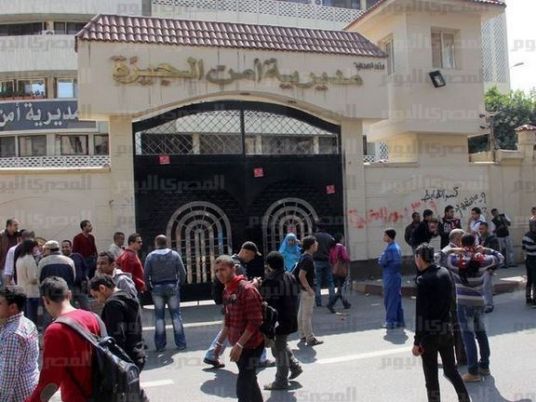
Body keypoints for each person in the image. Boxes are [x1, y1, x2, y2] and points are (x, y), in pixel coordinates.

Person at [27, 277, 101, 402]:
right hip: (102, 393)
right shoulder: (93, 317)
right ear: (69, 294)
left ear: (45, 300)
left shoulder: (55, 330)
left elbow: (50, 381)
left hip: (76, 397)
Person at [413, 244, 469, 402]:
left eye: (416, 257)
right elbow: (451, 302)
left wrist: (417, 341)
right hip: (446, 329)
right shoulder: (444, 272)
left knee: (431, 377)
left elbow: (421, 313)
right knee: (451, 370)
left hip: (429, 335)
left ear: (419, 258)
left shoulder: (423, 280)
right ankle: (465, 399)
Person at [445, 234, 503, 382]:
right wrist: (485, 249)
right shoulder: (482, 260)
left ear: (461, 244)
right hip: (479, 302)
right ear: (475, 243)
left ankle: (473, 372)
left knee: (468, 336)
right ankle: (484, 366)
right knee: (481, 334)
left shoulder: (455, 261)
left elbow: (437, 257)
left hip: (463, 303)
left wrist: (452, 250)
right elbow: (500, 257)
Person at [212, 255, 264, 402]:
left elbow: (255, 321)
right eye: (216, 271)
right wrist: (219, 344)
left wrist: (240, 345)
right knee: (250, 381)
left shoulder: (247, 289)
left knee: (243, 386)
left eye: (223, 269)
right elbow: (228, 321)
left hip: (252, 345)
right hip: (238, 345)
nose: (219, 274)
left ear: (233, 269)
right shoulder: (226, 290)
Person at [258, 251, 302, 390]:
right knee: (281, 344)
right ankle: (295, 366)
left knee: (278, 350)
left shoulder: (271, 280)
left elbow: (266, 303)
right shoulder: (290, 276)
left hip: (277, 320)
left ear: (269, 265)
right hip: (290, 317)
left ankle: (281, 380)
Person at [89, 274, 146, 370]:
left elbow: (116, 337)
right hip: (138, 353)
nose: (97, 301)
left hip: (124, 359)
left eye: (96, 296)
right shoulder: (129, 297)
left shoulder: (112, 305)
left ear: (102, 288)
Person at [144, 234, 187, 351]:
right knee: (176, 316)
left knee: (159, 317)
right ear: (167, 243)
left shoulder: (150, 256)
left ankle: (160, 345)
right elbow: (183, 273)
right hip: (172, 286)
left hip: (157, 287)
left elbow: (146, 274)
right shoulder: (174, 255)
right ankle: (181, 343)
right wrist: (179, 284)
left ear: (156, 243)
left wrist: (150, 287)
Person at [0, 286, 39, 402]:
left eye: (0, 303)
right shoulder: (28, 323)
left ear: (13, 307)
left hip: (17, 395)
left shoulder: (12, 334)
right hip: (31, 387)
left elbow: (8, 375)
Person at [437, 229, 467, 367]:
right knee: (455, 326)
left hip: (456, 293)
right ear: (456, 239)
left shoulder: (457, 251)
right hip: (451, 294)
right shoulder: (447, 251)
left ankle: (460, 357)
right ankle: (456, 358)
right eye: (462, 238)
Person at [297, 235, 323, 346]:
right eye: (316, 243)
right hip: (307, 290)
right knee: (306, 315)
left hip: (303, 289)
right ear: (312, 245)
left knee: (301, 313)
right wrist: (309, 289)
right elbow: (301, 275)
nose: (317, 244)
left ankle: (303, 335)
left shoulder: (303, 256)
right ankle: (310, 338)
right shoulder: (308, 259)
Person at [378, 228, 405, 329]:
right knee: (396, 299)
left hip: (390, 276)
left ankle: (390, 322)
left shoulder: (390, 249)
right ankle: (399, 321)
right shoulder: (396, 247)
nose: (383, 237)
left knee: (389, 299)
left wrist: (381, 258)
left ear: (389, 236)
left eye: (385, 235)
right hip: (396, 276)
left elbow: (382, 261)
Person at [15, 240, 40, 325]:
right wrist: (39, 279)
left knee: (24, 319)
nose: (36, 249)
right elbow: (32, 278)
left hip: (21, 292)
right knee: (31, 320)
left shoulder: (19, 258)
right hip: (31, 293)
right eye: (35, 247)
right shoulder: (29, 259)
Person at [61, 240, 90, 311]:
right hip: (68, 288)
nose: (64, 249)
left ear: (71, 247)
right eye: (63, 247)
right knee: (71, 309)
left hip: (80, 287)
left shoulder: (78, 256)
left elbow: (85, 267)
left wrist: (85, 277)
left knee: (86, 308)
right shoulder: (61, 260)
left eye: (66, 247)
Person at [312, 222, 335, 307]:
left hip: (317, 261)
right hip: (327, 260)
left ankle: (318, 302)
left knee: (317, 282)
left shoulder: (314, 237)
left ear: (318, 228)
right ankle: (332, 300)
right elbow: (333, 246)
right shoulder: (329, 237)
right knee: (330, 281)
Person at [479, 222, 500, 313]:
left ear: (487, 229)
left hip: (489, 266)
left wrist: (492, 268)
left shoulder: (492, 239)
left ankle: (489, 305)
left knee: (486, 286)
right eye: (479, 229)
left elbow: (495, 253)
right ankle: (485, 303)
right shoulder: (480, 238)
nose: (480, 230)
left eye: (482, 229)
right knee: (484, 286)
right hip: (482, 265)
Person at [327, 232, 351, 312]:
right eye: (343, 238)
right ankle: (331, 304)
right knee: (340, 289)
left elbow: (330, 260)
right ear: (340, 239)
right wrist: (348, 261)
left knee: (339, 287)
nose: (343, 240)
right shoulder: (341, 247)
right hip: (341, 269)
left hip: (335, 270)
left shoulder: (332, 247)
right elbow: (345, 257)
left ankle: (346, 303)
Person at [0, 218, 19, 286]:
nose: (17, 227)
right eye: (15, 225)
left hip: (15, 266)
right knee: (5, 288)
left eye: (17, 225)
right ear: (9, 226)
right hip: (4, 267)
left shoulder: (18, 235)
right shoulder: (1, 235)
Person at [522, 220, 536, 306]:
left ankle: (528, 298)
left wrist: (526, 257)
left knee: (530, 280)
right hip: (534, 260)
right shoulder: (534, 237)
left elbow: (523, 248)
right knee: (535, 280)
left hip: (528, 259)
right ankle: (535, 300)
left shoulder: (526, 236)